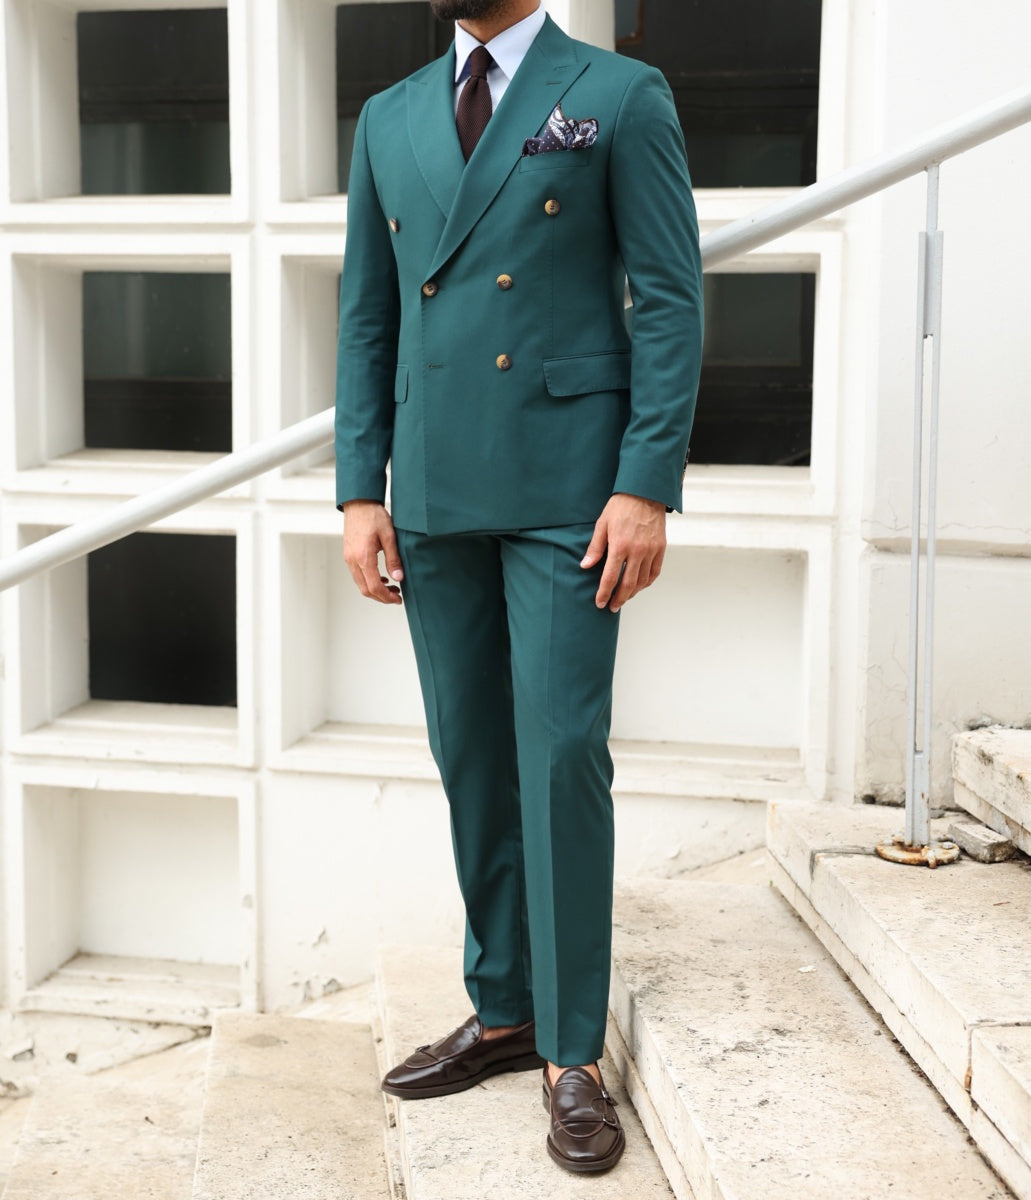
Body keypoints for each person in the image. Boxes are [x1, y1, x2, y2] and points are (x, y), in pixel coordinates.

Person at [334, 0, 702, 1175]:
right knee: (472, 755)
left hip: (568, 486)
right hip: (432, 478)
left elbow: (669, 296)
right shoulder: (389, 116)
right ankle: (501, 1009)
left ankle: (570, 1051)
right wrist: (358, 489)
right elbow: (366, 312)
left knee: (558, 756)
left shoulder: (617, 94)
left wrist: (643, 483)